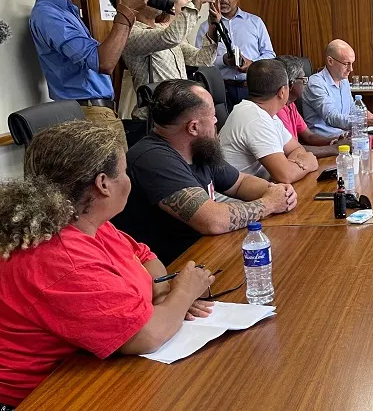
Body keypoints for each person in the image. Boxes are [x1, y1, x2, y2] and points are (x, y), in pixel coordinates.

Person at [0, 121, 216, 408]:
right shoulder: (63, 259)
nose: (129, 180)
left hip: (84, 369)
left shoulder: (87, 222)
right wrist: (185, 292)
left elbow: (145, 257)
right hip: (42, 396)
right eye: (124, 172)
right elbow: (148, 335)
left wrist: (165, 299)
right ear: (102, 184)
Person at [114, 79, 297, 264]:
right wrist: (270, 203)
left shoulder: (199, 149)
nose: (216, 120)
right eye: (212, 115)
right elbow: (213, 220)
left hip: (206, 253)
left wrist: (275, 191)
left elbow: (239, 183)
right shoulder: (152, 159)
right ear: (193, 127)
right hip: (175, 267)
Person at [17, 0, 147, 142]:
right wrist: (126, 10)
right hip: (89, 115)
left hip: (94, 112)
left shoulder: (65, 11)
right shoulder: (48, 15)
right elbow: (103, 63)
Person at [115, 0, 225, 118]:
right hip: (155, 118)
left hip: (178, 113)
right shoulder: (131, 33)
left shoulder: (162, 31)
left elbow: (202, 60)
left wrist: (212, 28)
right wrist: (197, 1)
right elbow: (170, 37)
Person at [220, 59, 319, 183]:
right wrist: (308, 164)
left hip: (263, 189)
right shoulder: (255, 119)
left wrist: (293, 166)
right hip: (242, 195)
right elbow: (285, 176)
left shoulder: (266, 114)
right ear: (282, 92)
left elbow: (296, 149)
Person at [195, 0, 275, 108]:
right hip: (222, 90)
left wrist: (252, 65)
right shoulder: (206, 27)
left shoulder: (255, 22)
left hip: (253, 87)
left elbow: (270, 55)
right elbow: (199, 61)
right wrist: (224, 60)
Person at [302, 39, 373, 139]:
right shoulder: (315, 83)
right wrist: (369, 121)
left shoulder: (344, 80)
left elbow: (352, 108)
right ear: (330, 61)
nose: (351, 69)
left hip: (345, 138)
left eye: (352, 63)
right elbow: (332, 117)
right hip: (325, 142)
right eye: (346, 64)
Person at [275, 55, 345, 158]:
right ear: (291, 84)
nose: (306, 83)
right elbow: (292, 150)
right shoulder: (278, 110)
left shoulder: (291, 104)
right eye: (303, 79)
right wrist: (335, 149)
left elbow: (309, 136)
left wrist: (334, 141)